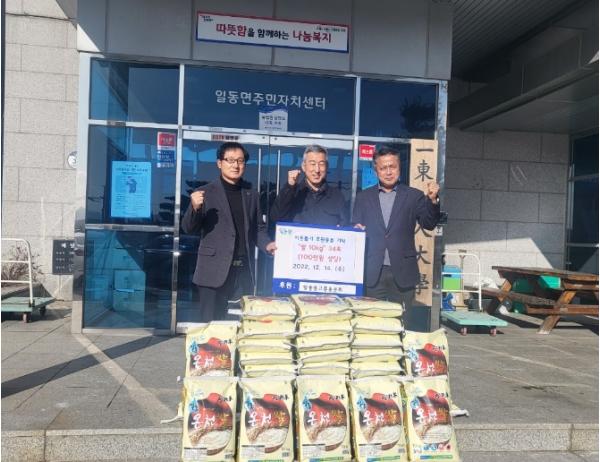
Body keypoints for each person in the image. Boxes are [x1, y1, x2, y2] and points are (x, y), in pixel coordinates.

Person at [181, 142, 276, 322]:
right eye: (230, 160)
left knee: (241, 323)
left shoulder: (251, 195)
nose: (235, 165)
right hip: (212, 271)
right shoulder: (204, 193)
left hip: (242, 271)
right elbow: (188, 228)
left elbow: (258, 229)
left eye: (240, 161)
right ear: (219, 163)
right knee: (211, 325)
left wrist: (267, 244)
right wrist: (194, 208)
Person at [352, 146, 440, 310]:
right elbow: (355, 226)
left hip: (403, 271)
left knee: (402, 318)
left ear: (399, 168)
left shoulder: (413, 196)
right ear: (376, 171)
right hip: (372, 271)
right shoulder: (363, 197)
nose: (388, 172)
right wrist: (356, 229)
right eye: (383, 168)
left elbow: (429, 223)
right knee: (371, 318)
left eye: (392, 167)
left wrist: (433, 201)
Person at [269, 144, 348, 227]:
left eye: (321, 164)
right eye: (312, 164)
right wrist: (289, 187)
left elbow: (345, 225)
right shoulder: (293, 193)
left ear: (327, 166)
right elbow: (275, 218)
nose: (317, 170)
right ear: (304, 166)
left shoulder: (337, 196)